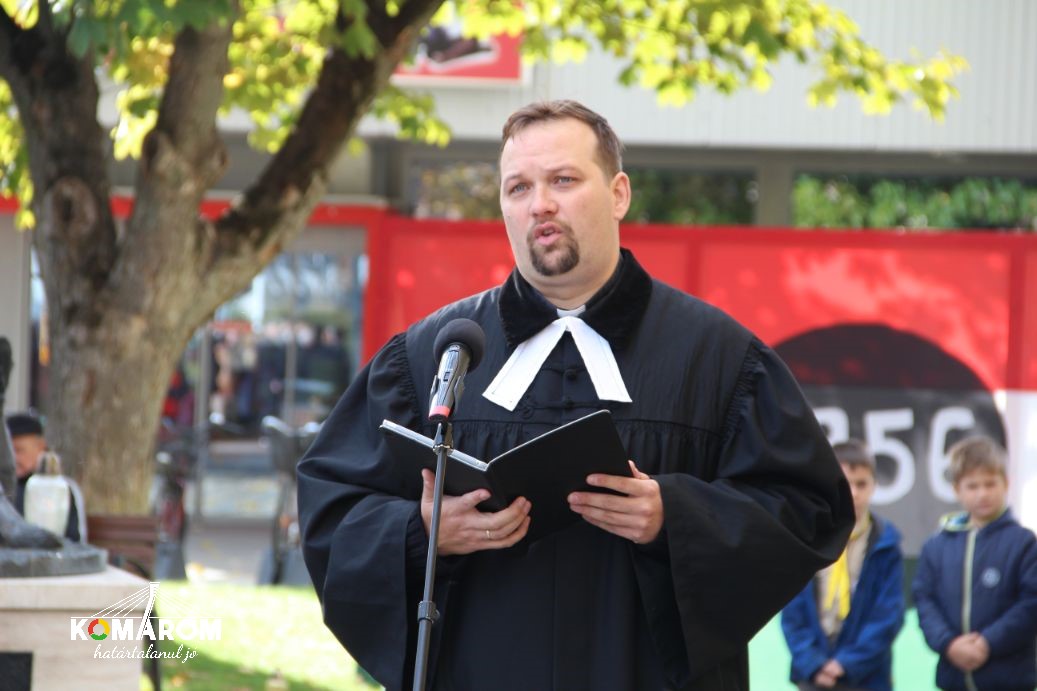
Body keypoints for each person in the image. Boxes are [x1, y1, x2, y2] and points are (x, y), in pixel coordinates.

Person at [297, 99, 854, 691]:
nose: (540, 204)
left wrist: (676, 517)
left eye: (563, 180)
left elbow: (808, 508)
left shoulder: (717, 357)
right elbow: (333, 511)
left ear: (618, 194)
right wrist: (421, 533)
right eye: (518, 187)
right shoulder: (430, 355)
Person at [913, 436, 1037, 691]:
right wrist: (949, 644)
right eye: (972, 486)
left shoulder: (1024, 543)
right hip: (953, 680)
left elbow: (1030, 604)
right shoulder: (936, 546)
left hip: (1010, 681)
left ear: (1006, 483)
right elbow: (925, 601)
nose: (982, 494)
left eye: (990, 484)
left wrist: (987, 643)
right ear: (957, 489)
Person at [781, 440, 904, 690]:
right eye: (846, 484)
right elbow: (792, 611)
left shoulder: (886, 544)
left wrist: (846, 664)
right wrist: (813, 663)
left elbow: (888, 616)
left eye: (861, 484)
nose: (854, 493)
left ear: (874, 485)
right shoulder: (807, 538)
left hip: (867, 678)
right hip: (813, 676)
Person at [5, 412, 83, 542]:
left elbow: (73, 538)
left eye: (19, 450)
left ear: (40, 446)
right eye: (8, 452)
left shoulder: (60, 487)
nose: (13, 459)